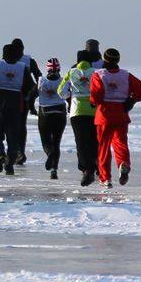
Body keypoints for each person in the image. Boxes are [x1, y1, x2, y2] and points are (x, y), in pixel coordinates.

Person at [90, 48, 141, 188]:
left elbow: (95, 95)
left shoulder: (99, 75)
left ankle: (105, 178)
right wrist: (132, 100)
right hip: (121, 114)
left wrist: (93, 102)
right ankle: (123, 163)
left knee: (103, 147)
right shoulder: (126, 76)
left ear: (105, 60)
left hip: (104, 115)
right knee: (120, 143)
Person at [0, 44, 35, 175]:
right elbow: (31, 86)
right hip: (15, 105)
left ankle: (0, 156)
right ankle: (9, 164)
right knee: (13, 137)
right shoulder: (23, 68)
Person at [58, 50, 99, 186]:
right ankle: (95, 166)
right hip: (94, 111)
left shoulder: (72, 72)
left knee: (81, 142)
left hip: (77, 112)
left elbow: (61, 91)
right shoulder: (96, 72)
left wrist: (70, 97)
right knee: (94, 140)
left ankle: (86, 170)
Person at [28, 58, 67, 179]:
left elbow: (31, 97)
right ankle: (54, 170)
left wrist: (32, 109)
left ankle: (49, 153)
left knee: (46, 141)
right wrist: (70, 106)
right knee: (56, 142)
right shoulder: (63, 81)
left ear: (47, 69)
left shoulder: (41, 81)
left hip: (45, 114)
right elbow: (69, 96)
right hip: (60, 112)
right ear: (59, 68)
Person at [11, 38, 41, 165]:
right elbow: (39, 77)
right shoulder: (29, 61)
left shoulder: (7, 61)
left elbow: (39, 78)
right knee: (20, 125)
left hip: (15, 97)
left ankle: (18, 152)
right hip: (23, 97)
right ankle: (19, 152)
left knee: (13, 125)